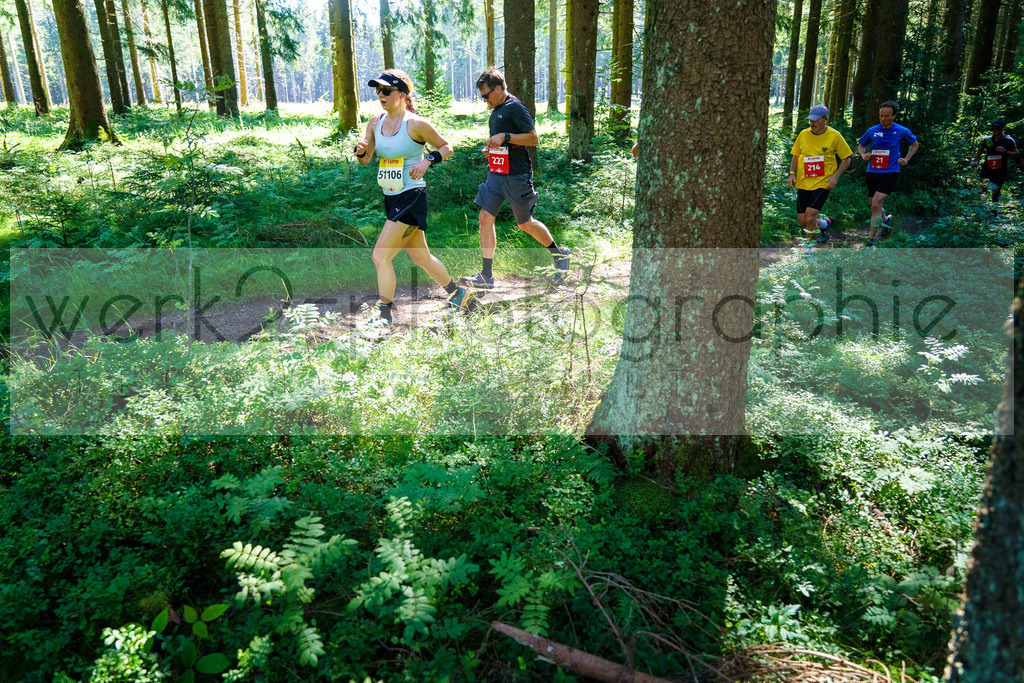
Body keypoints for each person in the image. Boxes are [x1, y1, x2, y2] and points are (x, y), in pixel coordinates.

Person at [354, 69, 468, 326]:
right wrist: (360, 152)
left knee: (380, 257)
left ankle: (384, 315)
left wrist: (428, 161)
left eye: (386, 91)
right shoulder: (374, 122)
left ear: (403, 95)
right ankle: (456, 293)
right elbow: (366, 160)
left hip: (412, 195)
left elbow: (446, 147)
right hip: (391, 196)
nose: (380, 95)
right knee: (421, 257)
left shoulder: (416, 124)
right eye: (378, 90)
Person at [462, 68, 570, 289]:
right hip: (496, 174)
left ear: (499, 88)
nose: (484, 100)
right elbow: (504, 142)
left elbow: (533, 138)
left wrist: (506, 136)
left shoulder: (515, 107)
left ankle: (559, 255)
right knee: (485, 217)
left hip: (516, 175)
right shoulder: (497, 108)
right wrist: (491, 148)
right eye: (482, 96)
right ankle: (486, 276)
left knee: (525, 224)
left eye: (486, 95)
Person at [788, 104, 852, 250]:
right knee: (803, 222)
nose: (812, 123)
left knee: (810, 216)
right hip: (804, 182)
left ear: (825, 119)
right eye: (811, 120)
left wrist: (835, 176)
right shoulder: (803, 134)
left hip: (823, 182)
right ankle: (825, 224)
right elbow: (796, 155)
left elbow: (847, 159)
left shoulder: (834, 136)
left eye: (816, 120)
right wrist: (792, 174)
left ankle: (808, 251)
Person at [857, 100, 919, 248]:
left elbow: (915, 144)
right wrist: (863, 155)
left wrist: (906, 158)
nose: (884, 119)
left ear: (894, 116)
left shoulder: (901, 131)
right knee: (873, 205)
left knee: (876, 204)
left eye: (887, 116)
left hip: (890, 171)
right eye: (881, 116)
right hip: (872, 171)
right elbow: (861, 145)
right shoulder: (872, 130)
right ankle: (886, 220)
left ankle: (870, 241)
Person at [972, 118, 1018, 203]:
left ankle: (994, 209)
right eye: (992, 128)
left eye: (996, 128)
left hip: (1000, 168)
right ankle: (983, 205)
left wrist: (1005, 151)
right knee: (984, 183)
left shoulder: (1008, 140)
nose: (994, 130)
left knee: (996, 190)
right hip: (988, 166)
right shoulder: (987, 140)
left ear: (1002, 128)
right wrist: (975, 160)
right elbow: (981, 149)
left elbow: (1016, 154)